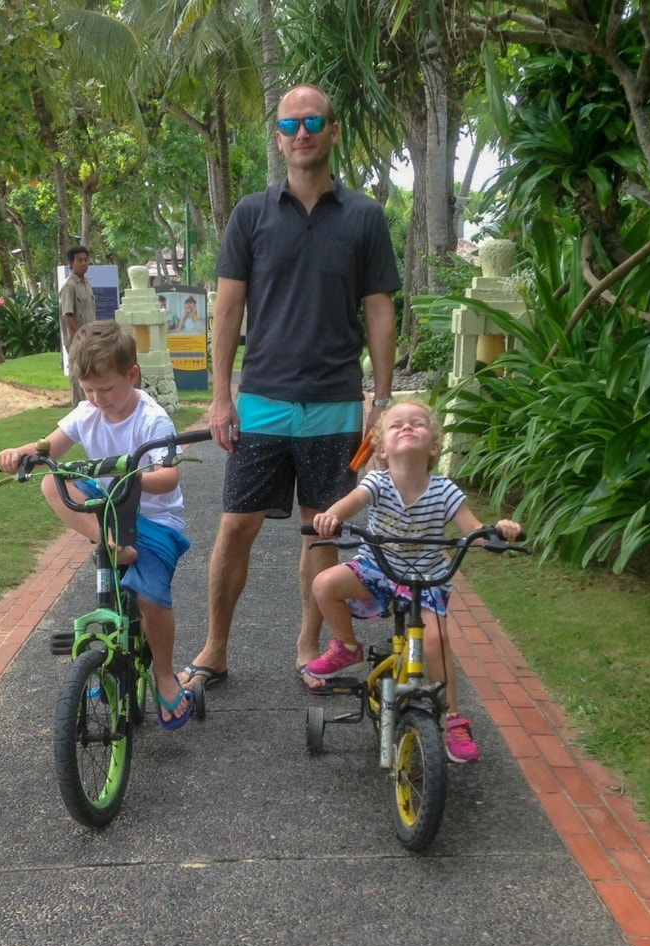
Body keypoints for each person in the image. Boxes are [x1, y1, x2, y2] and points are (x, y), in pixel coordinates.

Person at [177, 82, 401, 694]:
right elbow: (227, 313)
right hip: (264, 400)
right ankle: (215, 649)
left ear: (332, 131)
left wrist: (380, 403)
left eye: (313, 121)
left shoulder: (365, 217)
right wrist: (222, 395)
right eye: (290, 124)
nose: (301, 132)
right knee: (235, 527)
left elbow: (379, 311)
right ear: (278, 138)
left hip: (333, 404)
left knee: (319, 529)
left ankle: (308, 646)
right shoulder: (250, 214)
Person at [0, 321, 194, 729]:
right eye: (88, 390)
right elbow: (49, 446)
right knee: (52, 480)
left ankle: (163, 674)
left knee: (153, 599)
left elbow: (169, 478)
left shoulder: (152, 422)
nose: (97, 400)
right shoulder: (88, 411)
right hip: (110, 516)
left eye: (106, 389)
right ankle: (110, 542)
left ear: (132, 375)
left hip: (154, 521)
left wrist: (134, 476)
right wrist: (21, 452)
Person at [303, 399, 523, 763]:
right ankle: (347, 646)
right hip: (377, 570)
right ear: (383, 449)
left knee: (437, 640)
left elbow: (475, 533)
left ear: (434, 446)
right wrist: (329, 518)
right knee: (324, 584)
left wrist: (499, 531)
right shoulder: (376, 482)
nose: (407, 427)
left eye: (417, 424)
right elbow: (348, 504)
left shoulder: (445, 491)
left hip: (427, 578)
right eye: (396, 425)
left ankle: (452, 718)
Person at [58, 245, 96, 404]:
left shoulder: (86, 283)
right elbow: (68, 315)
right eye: (79, 260)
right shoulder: (69, 286)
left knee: (90, 377)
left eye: (86, 260)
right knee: (78, 378)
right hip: (77, 342)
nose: (83, 263)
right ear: (71, 264)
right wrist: (78, 338)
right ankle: (78, 416)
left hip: (90, 340)